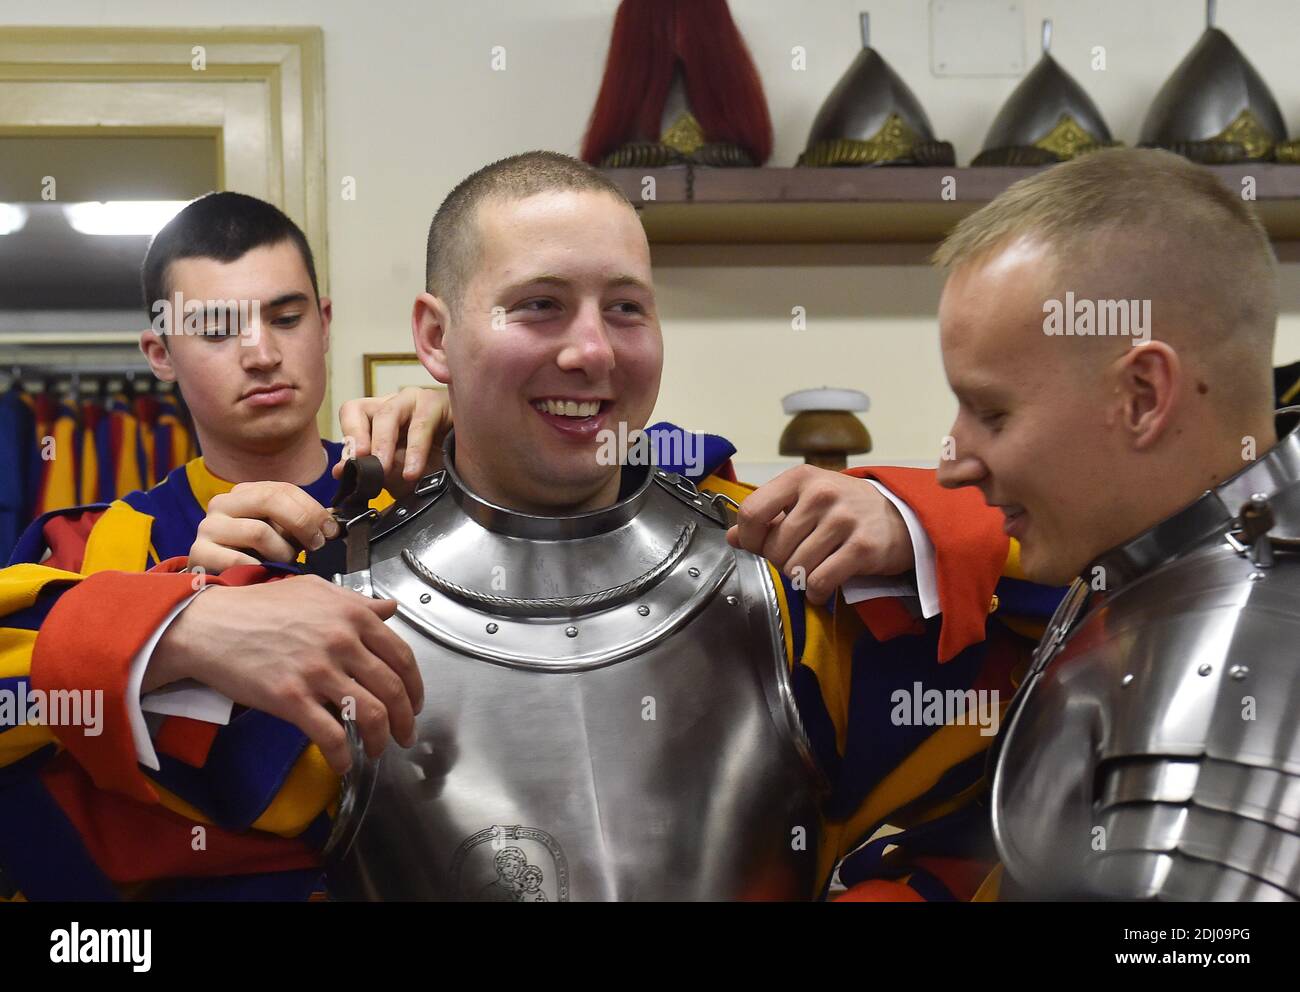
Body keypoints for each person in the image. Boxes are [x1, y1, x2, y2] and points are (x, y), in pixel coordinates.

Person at [0, 193, 431, 900]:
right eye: (216, 330)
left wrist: (484, 438)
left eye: (286, 318)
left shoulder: (417, 498)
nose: (261, 354)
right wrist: (166, 625)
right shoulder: (91, 544)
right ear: (159, 353)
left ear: (322, 325)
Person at [932, 146, 1296, 899]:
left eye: (992, 413)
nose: (954, 461)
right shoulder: (1150, 565)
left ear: (1141, 395)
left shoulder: (1238, 646)